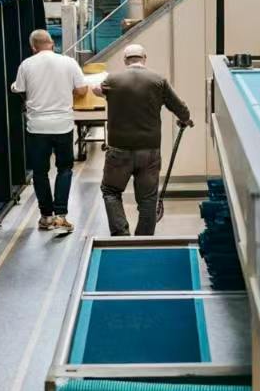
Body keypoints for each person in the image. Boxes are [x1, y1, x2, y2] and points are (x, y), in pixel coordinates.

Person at [93, 44, 193, 236]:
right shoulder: (158, 80)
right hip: (149, 151)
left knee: (111, 191)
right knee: (147, 199)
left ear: (125, 60)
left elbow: (96, 90)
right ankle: (144, 238)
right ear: (144, 58)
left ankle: (121, 235)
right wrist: (185, 118)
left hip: (119, 150)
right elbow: (181, 109)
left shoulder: (112, 79)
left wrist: (101, 91)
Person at [11, 29, 88, 232]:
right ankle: (61, 215)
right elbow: (82, 90)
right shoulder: (69, 62)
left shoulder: (26, 64)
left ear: (33, 47)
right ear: (52, 43)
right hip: (62, 125)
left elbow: (18, 89)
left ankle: (46, 216)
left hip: (37, 127)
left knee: (40, 172)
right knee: (64, 169)